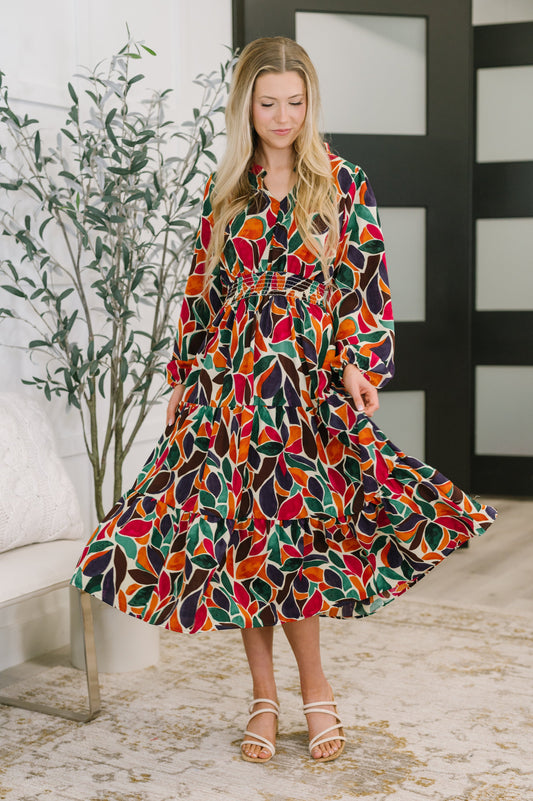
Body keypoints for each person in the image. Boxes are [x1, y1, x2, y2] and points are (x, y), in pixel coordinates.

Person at [71, 36, 497, 765]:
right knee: (245, 542)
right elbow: (202, 291)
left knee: (294, 541)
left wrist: (361, 365)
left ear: (309, 104)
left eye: (293, 103)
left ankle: (316, 689)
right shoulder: (226, 189)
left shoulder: (340, 180)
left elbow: (363, 282)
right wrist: (182, 378)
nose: (281, 115)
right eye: (267, 103)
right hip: (231, 387)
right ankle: (263, 698)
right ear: (246, 105)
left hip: (302, 384)